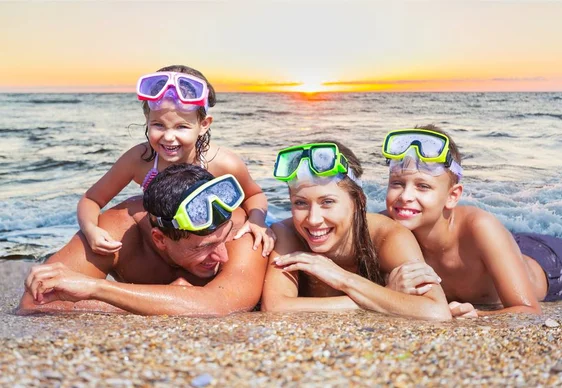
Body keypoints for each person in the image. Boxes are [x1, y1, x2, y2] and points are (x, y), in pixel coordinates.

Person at [380, 125, 562, 316]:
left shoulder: (479, 226)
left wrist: (479, 316)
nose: (405, 196)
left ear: (452, 196)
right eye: (397, 183)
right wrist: (390, 291)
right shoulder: (384, 228)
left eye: (423, 186)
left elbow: (528, 310)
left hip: (559, 268)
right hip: (510, 245)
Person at [77, 64, 275, 258]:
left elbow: (254, 195)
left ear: (204, 125)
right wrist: (90, 229)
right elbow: (92, 199)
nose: (169, 137)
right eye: (158, 125)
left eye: (181, 127)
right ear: (147, 119)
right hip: (174, 241)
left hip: (210, 244)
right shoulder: (139, 160)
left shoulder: (222, 163)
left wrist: (258, 221)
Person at [18, 164, 267, 316]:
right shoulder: (115, 232)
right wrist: (169, 301)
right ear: (159, 239)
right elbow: (34, 303)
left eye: (223, 239)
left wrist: (97, 289)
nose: (224, 256)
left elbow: (220, 304)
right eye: (205, 247)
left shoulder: (242, 229)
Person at [260, 141, 453, 321]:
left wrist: (341, 278)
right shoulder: (286, 233)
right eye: (300, 203)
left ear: (358, 201)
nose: (313, 219)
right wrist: (383, 294)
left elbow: (436, 311)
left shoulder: (388, 236)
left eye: (327, 202)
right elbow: (275, 307)